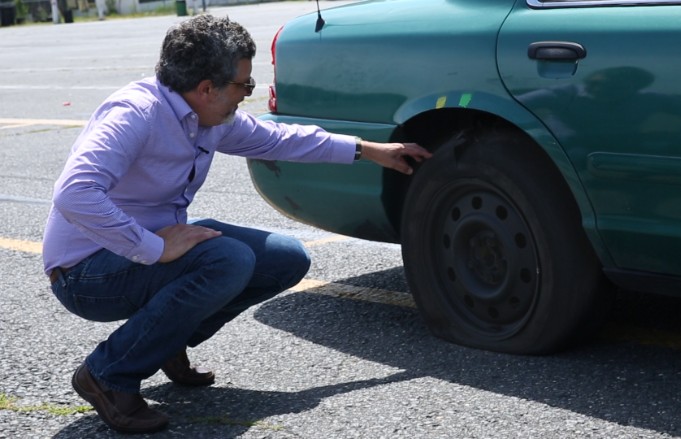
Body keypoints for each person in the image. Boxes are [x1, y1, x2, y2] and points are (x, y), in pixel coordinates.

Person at [42, 14, 431, 434]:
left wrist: (370, 150)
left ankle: (162, 342)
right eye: (243, 85)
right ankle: (107, 374)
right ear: (207, 88)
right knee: (227, 261)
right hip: (85, 272)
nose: (247, 94)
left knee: (285, 258)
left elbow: (282, 140)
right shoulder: (136, 113)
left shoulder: (205, 115)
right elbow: (74, 194)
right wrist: (152, 248)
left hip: (147, 248)